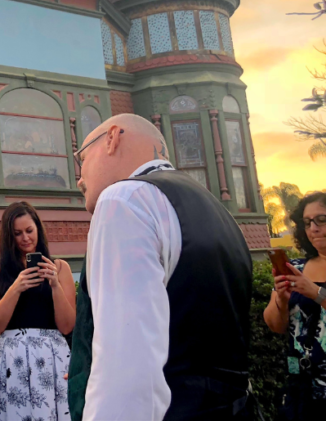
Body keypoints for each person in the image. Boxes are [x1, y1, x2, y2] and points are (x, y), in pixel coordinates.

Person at [68, 113, 254, 421]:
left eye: (82, 158)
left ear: (113, 138)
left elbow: (126, 366)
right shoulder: (219, 213)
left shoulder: (125, 198)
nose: (80, 178)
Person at [0, 201, 75, 421]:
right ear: (8, 236)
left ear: (38, 230)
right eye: (17, 233)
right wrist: (16, 288)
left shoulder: (60, 267)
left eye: (29, 231)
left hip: (51, 357)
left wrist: (55, 285)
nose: (25, 238)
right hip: (10, 360)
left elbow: (67, 325)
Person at [263, 191, 326, 418]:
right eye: (308, 222)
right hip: (301, 389)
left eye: (322, 219)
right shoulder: (296, 268)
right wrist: (281, 299)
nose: (314, 228)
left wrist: (316, 293)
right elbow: (275, 325)